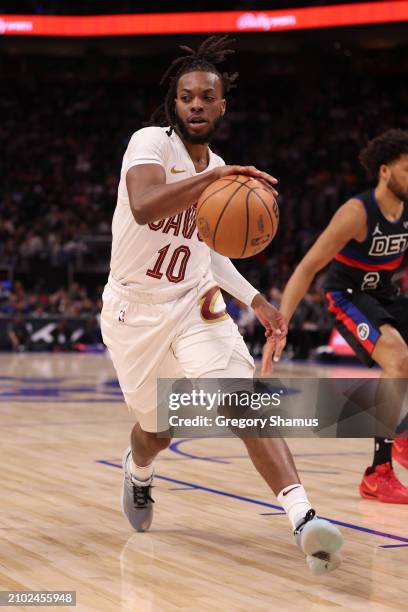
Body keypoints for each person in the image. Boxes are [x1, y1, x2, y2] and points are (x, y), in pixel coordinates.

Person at [101, 36, 343, 574]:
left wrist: (259, 301)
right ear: (175, 102)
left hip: (194, 301)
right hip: (133, 310)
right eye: (186, 95)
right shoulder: (150, 144)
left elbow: (208, 256)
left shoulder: (220, 168)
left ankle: (304, 517)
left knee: (240, 397)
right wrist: (212, 178)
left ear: (221, 105)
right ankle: (139, 472)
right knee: (157, 430)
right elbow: (143, 207)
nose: (195, 104)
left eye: (206, 97)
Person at [262, 129, 408, 503]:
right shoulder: (357, 213)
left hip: (386, 294)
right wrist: (282, 323)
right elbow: (307, 267)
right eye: (406, 169)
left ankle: (403, 434)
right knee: (398, 358)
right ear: (384, 172)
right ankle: (378, 472)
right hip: (348, 295)